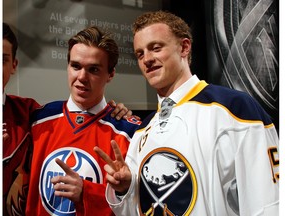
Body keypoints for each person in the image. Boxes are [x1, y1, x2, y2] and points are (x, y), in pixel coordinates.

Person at [94, 10, 279, 215]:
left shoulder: (235, 110)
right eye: (140, 53)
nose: (146, 59)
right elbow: (133, 211)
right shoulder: (142, 131)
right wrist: (124, 190)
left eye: (155, 48)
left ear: (184, 47)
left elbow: (268, 204)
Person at [25, 26, 141, 216]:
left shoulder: (128, 132)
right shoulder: (38, 119)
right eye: (76, 66)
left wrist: (88, 193)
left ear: (111, 74)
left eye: (93, 69)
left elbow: (139, 205)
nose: (81, 77)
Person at [3, 22, 41, 216]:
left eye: (2, 59)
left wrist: (112, 112)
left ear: (13, 65)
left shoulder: (28, 111)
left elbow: (77, 116)